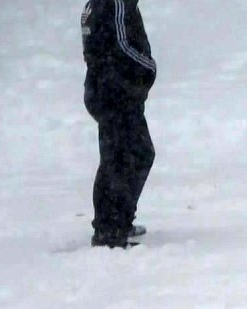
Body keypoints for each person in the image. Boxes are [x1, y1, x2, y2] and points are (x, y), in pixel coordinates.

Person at [81, 0, 157, 248]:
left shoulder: (97, 4)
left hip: (106, 90)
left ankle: (114, 223)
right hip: (116, 93)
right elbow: (122, 47)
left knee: (120, 156)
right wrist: (148, 67)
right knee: (129, 156)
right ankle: (110, 229)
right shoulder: (116, 3)